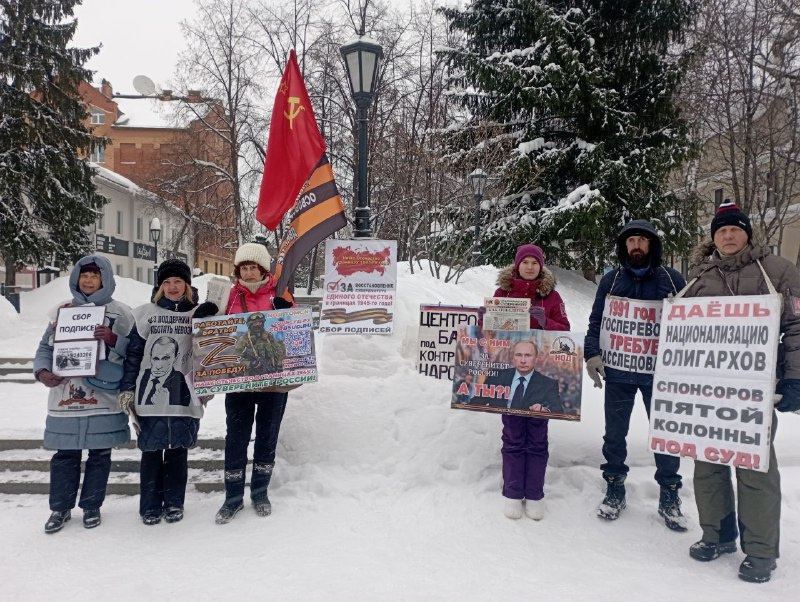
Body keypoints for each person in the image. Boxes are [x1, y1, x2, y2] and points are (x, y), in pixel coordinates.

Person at [681, 201, 800, 583]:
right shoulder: (700, 276)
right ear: (713, 237)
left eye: (735, 229)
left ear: (747, 232)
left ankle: (762, 551)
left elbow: (797, 328)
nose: (728, 236)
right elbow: (683, 335)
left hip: (755, 392)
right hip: (707, 391)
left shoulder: (779, 271)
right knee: (707, 462)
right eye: (721, 231)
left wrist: (795, 378)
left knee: (755, 469)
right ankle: (717, 535)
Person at [584, 219, 686, 529]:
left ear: (652, 245)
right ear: (623, 247)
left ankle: (670, 494)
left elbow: (690, 325)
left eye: (642, 240)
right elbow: (596, 322)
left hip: (660, 374)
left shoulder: (672, 279)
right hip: (619, 371)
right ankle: (615, 485)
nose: (637, 245)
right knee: (615, 433)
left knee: (666, 435)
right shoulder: (611, 281)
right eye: (631, 241)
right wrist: (592, 354)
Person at [33, 256, 134, 533]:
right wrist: (42, 371)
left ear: (106, 279)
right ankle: (60, 508)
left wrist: (113, 339)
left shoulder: (120, 313)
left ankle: (91, 505)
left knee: (100, 454)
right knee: (65, 455)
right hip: (65, 393)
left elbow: (135, 351)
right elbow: (45, 348)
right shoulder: (62, 311)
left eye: (95, 275)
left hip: (102, 395)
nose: (88, 280)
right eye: (84, 275)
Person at [119, 259, 216, 525]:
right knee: (151, 453)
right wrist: (127, 388)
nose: (173, 287)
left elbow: (209, 352)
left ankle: (174, 503)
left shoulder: (197, 314)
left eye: (178, 281)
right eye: (167, 282)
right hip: (148, 400)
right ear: (160, 286)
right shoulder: (144, 314)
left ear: (187, 284)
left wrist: (210, 383)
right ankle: (150, 506)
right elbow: (134, 355)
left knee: (178, 452)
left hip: (184, 396)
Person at [215, 242, 294, 524]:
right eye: (244, 267)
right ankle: (232, 497)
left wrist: (287, 313)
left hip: (273, 381)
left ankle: (260, 492)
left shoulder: (279, 295)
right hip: (238, 379)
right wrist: (208, 315)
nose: (248, 273)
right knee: (236, 437)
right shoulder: (229, 297)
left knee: (267, 435)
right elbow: (213, 334)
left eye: (253, 267)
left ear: (263, 269)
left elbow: (295, 337)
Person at [490, 244, 570, 521]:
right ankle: (512, 492)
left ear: (541, 266)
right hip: (510, 377)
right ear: (516, 265)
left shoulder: (551, 296)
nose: (529, 267)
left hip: (538, 381)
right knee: (512, 436)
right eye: (525, 262)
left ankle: (534, 494)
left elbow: (567, 333)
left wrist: (545, 320)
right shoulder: (503, 293)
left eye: (534, 262)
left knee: (537, 438)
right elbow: (491, 330)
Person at [479, 340, 562, 412]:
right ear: (513, 357)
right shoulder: (496, 376)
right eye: (518, 355)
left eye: (528, 355)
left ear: (536, 358)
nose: (523, 361)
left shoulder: (549, 384)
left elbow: (558, 411)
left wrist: (545, 410)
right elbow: (476, 403)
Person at [137, 336, 191, 406]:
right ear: (150, 356)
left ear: (175, 358)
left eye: (165, 359)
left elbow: (185, 409)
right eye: (155, 358)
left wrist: (168, 404)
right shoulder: (143, 375)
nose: (159, 366)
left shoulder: (181, 380)